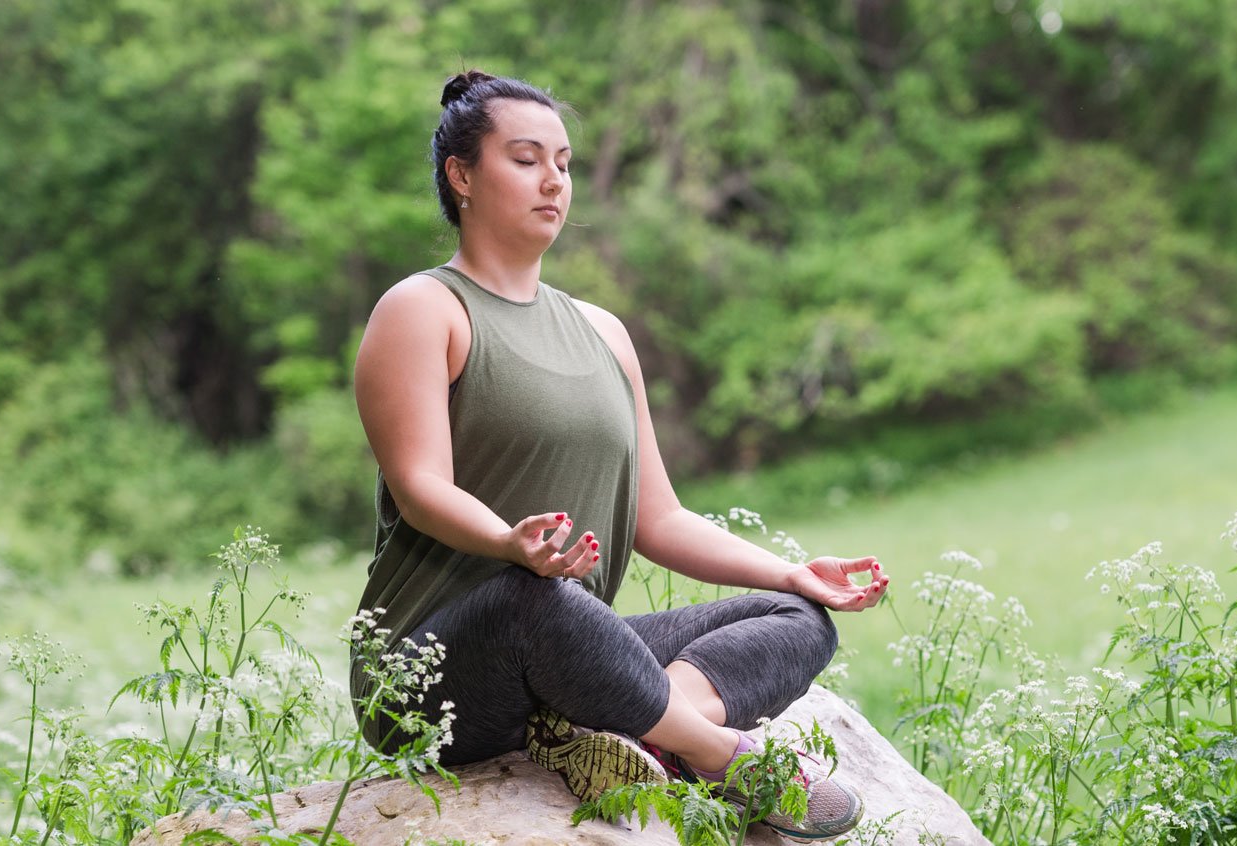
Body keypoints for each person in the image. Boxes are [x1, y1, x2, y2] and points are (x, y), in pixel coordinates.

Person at [349, 69, 888, 841]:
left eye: (564, 163)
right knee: (529, 598)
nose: (554, 182)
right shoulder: (423, 309)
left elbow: (659, 517)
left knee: (796, 618)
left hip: (572, 653)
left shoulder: (602, 332)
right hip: (431, 673)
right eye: (527, 159)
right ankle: (721, 754)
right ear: (461, 176)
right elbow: (420, 484)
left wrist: (788, 569)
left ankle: (624, 728)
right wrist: (508, 545)